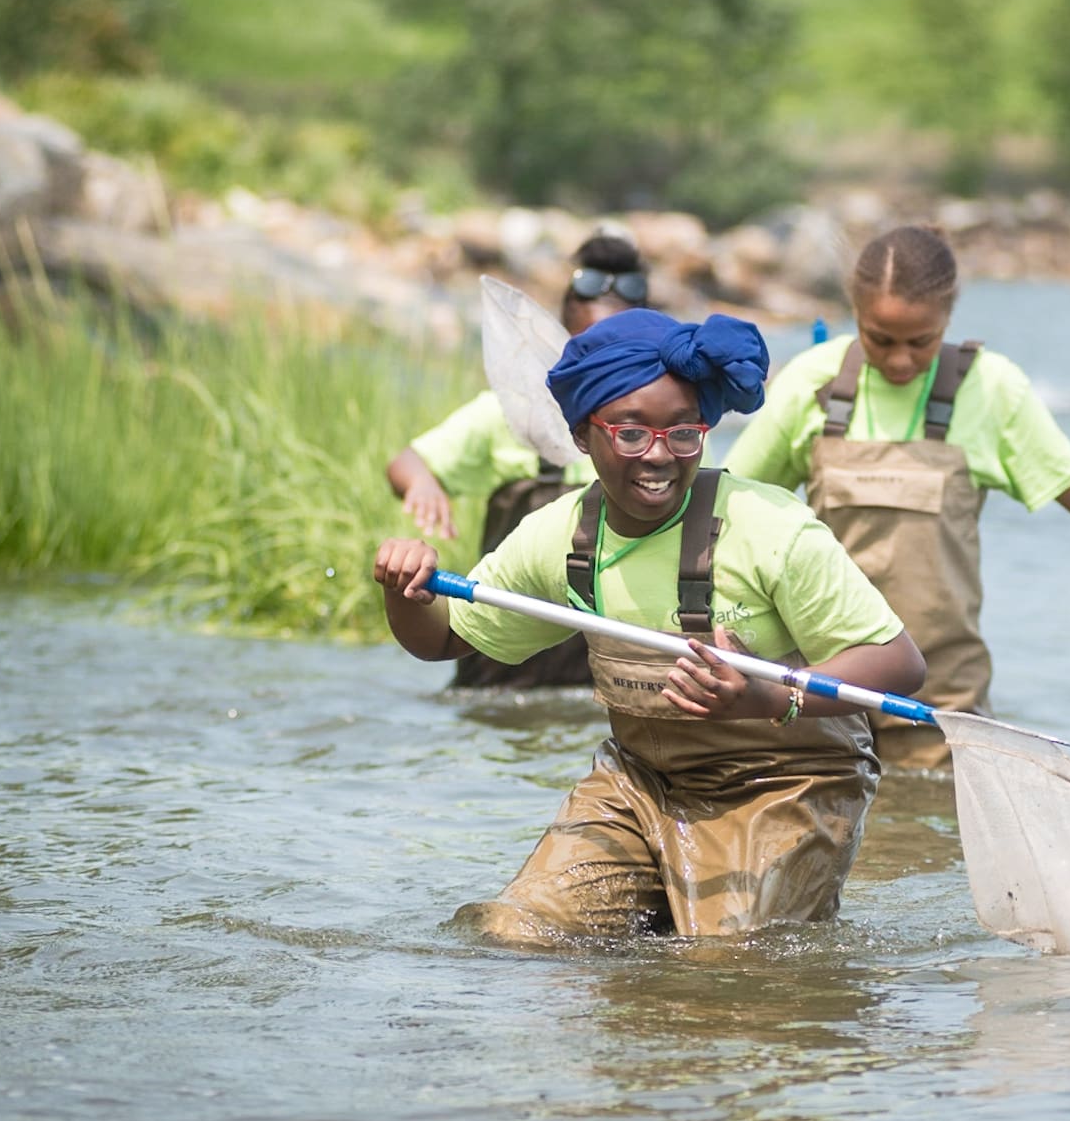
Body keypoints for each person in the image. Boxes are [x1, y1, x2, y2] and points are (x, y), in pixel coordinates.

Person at [373, 308, 927, 946]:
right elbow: (443, 640)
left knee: (724, 967)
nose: (660, 456)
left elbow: (899, 661)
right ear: (584, 436)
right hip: (639, 786)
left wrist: (768, 696)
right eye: (631, 434)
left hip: (788, 786)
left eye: (683, 433)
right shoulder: (559, 538)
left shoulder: (770, 526)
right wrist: (405, 590)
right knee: (514, 933)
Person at [725, 224, 1070, 769]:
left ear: (949, 317)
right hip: (822, 686)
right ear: (855, 312)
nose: (902, 360)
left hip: (940, 693)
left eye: (922, 341)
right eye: (880, 339)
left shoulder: (992, 387)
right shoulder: (813, 380)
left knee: (927, 845)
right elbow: (726, 506)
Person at [385, 232, 650, 687]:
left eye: (620, 355)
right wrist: (424, 484)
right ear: (561, 336)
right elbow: (407, 463)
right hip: (501, 675)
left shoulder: (657, 438)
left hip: (604, 680)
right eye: (589, 350)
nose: (603, 372)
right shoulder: (511, 414)